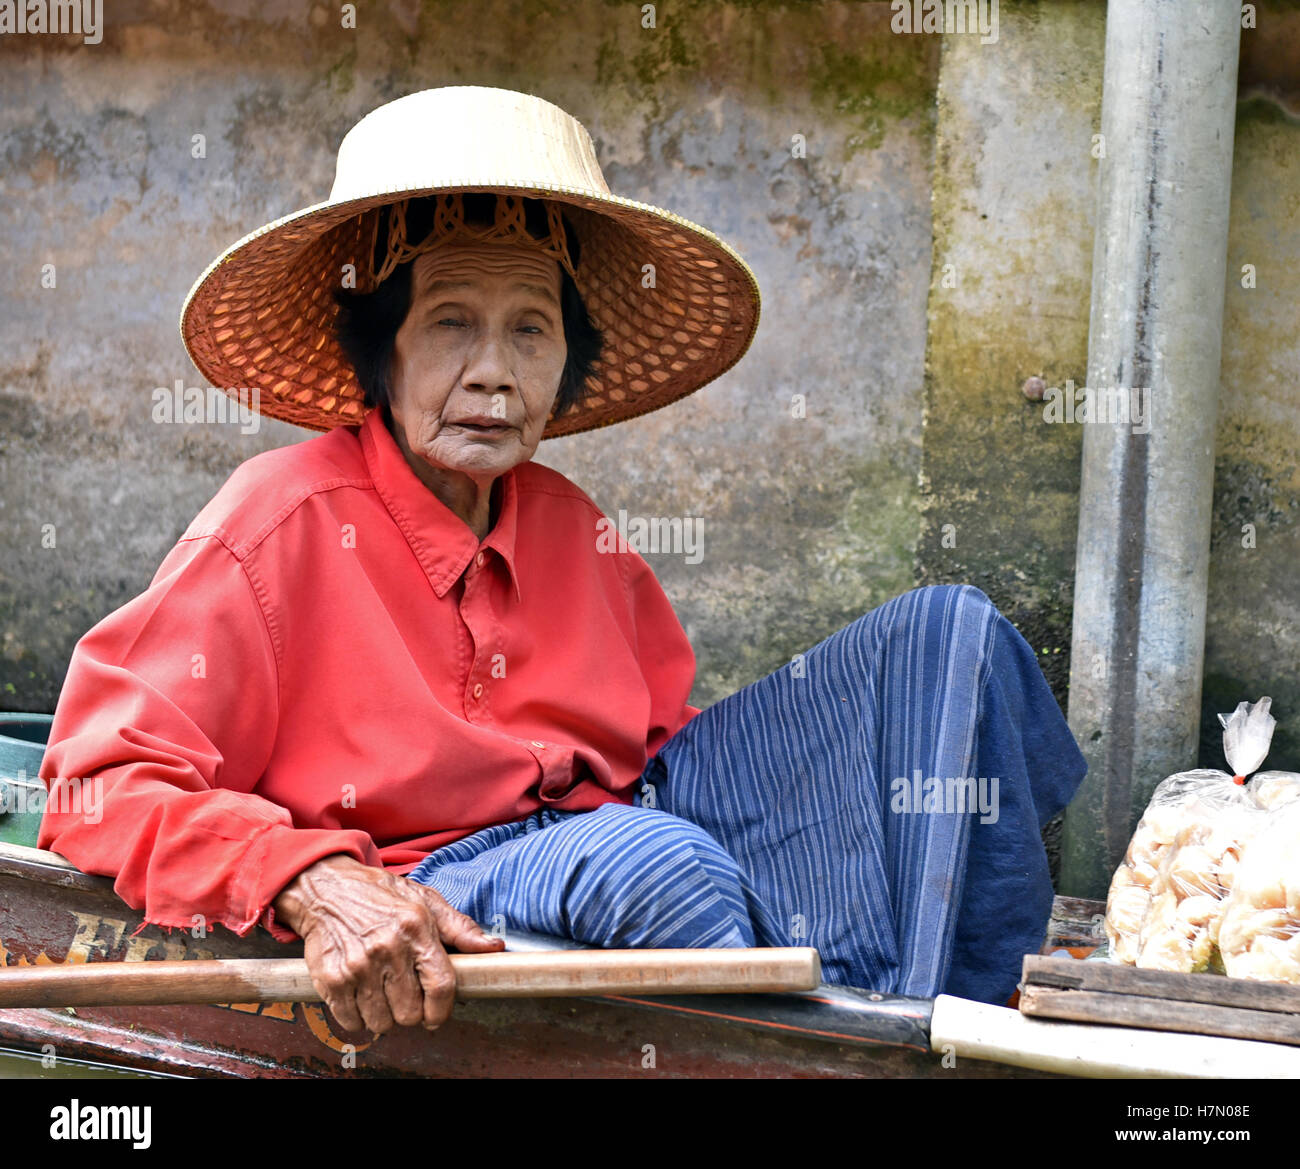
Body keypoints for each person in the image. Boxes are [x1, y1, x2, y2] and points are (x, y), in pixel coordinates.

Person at [38, 86, 1086, 1038]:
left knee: (956, 638)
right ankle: (827, 1054)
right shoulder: (280, 518)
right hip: (437, 870)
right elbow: (97, 782)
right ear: (381, 347)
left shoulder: (572, 527)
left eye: (529, 330)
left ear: (564, 363)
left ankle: (943, 1029)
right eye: (450, 323)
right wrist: (314, 880)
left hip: (622, 820)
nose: (492, 372)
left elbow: (676, 755)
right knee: (656, 864)